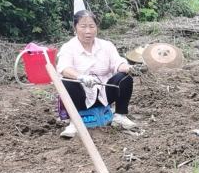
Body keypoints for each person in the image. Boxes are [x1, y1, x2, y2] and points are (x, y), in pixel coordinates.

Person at [57, 10, 142, 138]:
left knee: (124, 77)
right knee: (67, 81)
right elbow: (64, 68)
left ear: (97, 28)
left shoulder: (106, 46)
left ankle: (120, 116)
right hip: (81, 97)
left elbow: (117, 63)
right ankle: (74, 122)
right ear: (75, 27)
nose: (88, 31)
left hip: (103, 95)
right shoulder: (68, 47)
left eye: (92, 26)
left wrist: (129, 68)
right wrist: (81, 77)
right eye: (83, 26)